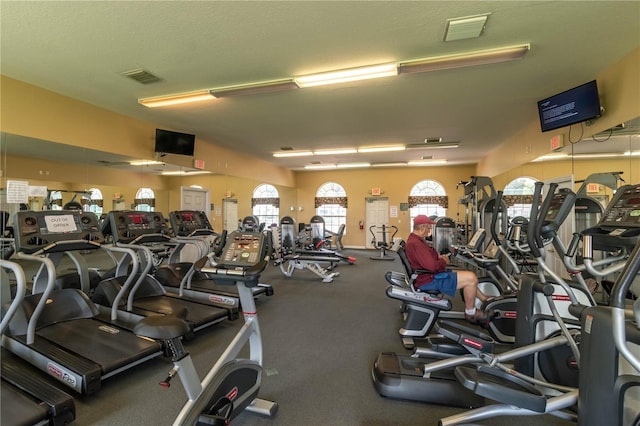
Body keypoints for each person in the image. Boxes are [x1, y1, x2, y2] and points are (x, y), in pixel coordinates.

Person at [405, 214, 494, 325]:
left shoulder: (416, 240)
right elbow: (432, 266)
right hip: (428, 279)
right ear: (422, 228)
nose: (429, 230)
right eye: (428, 227)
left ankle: (484, 298)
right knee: (471, 278)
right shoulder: (416, 244)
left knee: (468, 275)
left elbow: (425, 260)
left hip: (427, 275)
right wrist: (443, 261)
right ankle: (470, 313)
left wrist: (439, 258)